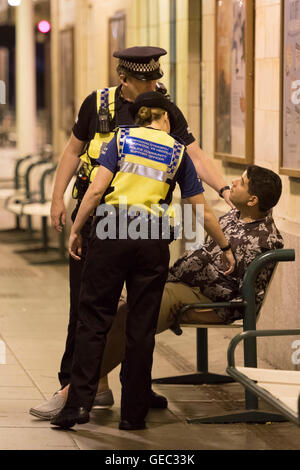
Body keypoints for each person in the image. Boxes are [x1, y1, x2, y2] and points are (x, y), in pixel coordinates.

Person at [30, 46, 234, 420]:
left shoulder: (164, 109)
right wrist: (57, 199)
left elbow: (196, 156)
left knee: (128, 316)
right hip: (104, 222)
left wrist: (223, 189)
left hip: (119, 226)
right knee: (87, 310)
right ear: (123, 78)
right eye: (143, 79)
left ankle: (128, 393)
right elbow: (73, 152)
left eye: (154, 78)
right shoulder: (98, 104)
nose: (151, 84)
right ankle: (77, 390)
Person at [33, 164, 283, 422]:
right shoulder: (234, 216)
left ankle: (73, 393)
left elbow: (230, 286)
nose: (232, 183)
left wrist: (186, 268)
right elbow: (206, 259)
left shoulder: (265, 238)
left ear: (253, 199)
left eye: (240, 183)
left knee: (134, 313)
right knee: (117, 307)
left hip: (212, 300)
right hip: (187, 286)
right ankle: (115, 389)